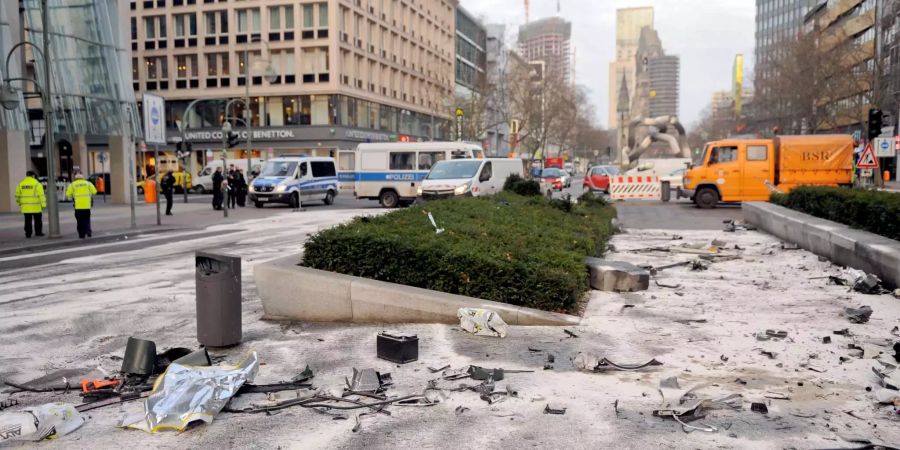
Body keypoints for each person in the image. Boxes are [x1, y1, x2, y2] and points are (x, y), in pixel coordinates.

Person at [65, 173, 98, 239]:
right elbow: (95, 192)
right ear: (82, 178)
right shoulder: (88, 183)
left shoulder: (72, 185)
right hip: (87, 206)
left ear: (75, 178)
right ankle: (88, 232)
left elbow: (68, 195)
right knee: (87, 219)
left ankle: (81, 234)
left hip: (78, 207)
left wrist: (73, 196)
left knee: (79, 221)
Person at [15, 171, 46, 238]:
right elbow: (41, 195)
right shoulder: (37, 184)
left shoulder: (21, 184)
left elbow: (17, 195)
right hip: (36, 206)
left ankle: (28, 234)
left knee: (27, 220)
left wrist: (18, 202)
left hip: (26, 206)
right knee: (38, 220)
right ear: (33, 176)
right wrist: (43, 204)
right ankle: (38, 232)